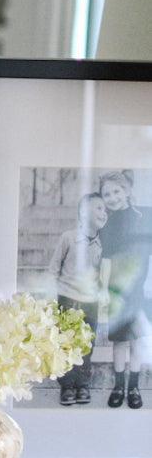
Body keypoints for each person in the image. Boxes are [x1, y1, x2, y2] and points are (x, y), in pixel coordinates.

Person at [97, 170, 151, 409]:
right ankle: (119, 386)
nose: (112, 197)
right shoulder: (106, 224)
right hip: (117, 289)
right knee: (119, 341)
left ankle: (134, 387)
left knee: (137, 340)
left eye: (116, 191)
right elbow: (106, 260)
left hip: (139, 287)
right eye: (106, 194)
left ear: (127, 190)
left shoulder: (144, 215)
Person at [50, 192, 106, 405]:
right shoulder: (68, 238)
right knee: (67, 343)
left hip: (91, 301)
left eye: (105, 209)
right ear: (83, 213)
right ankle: (67, 386)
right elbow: (53, 269)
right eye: (99, 208)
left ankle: (83, 385)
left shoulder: (101, 244)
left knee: (87, 344)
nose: (104, 212)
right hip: (67, 299)